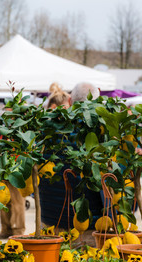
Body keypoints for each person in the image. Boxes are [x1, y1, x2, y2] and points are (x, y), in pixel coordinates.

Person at [39, 82, 102, 232]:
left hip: (51, 218)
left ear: (71, 101)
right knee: (87, 255)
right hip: (88, 222)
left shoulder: (47, 127)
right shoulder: (100, 129)